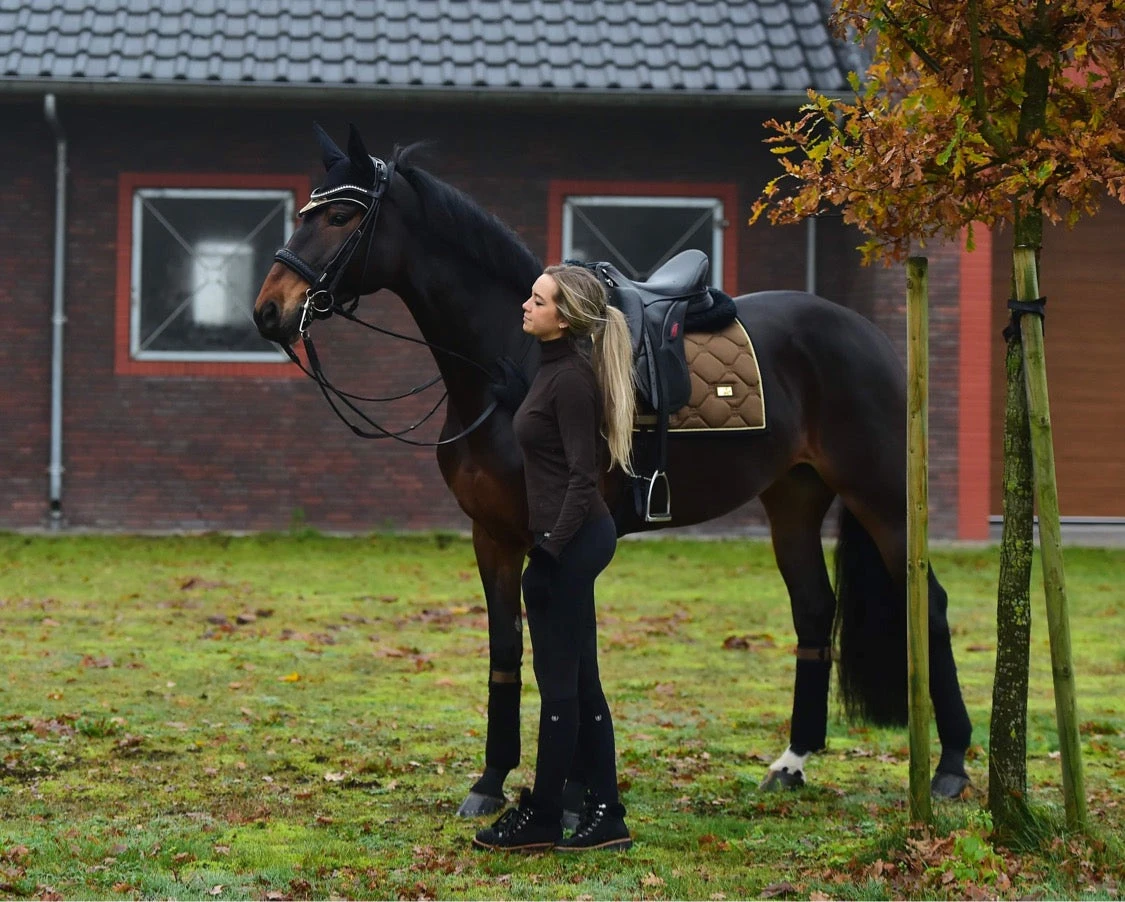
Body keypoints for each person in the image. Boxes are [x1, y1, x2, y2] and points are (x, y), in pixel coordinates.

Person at [473, 264, 636, 853]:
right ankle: (606, 813)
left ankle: (545, 816)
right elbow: (551, 444)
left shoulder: (569, 380)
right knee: (580, 681)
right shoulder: (551, 371)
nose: (526, 305)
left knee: (561, 686)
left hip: (573, 541)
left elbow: (583, 478)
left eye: (538, 300)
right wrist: (521, 402)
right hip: (567, 541)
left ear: (563, 319)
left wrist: (547, 554)